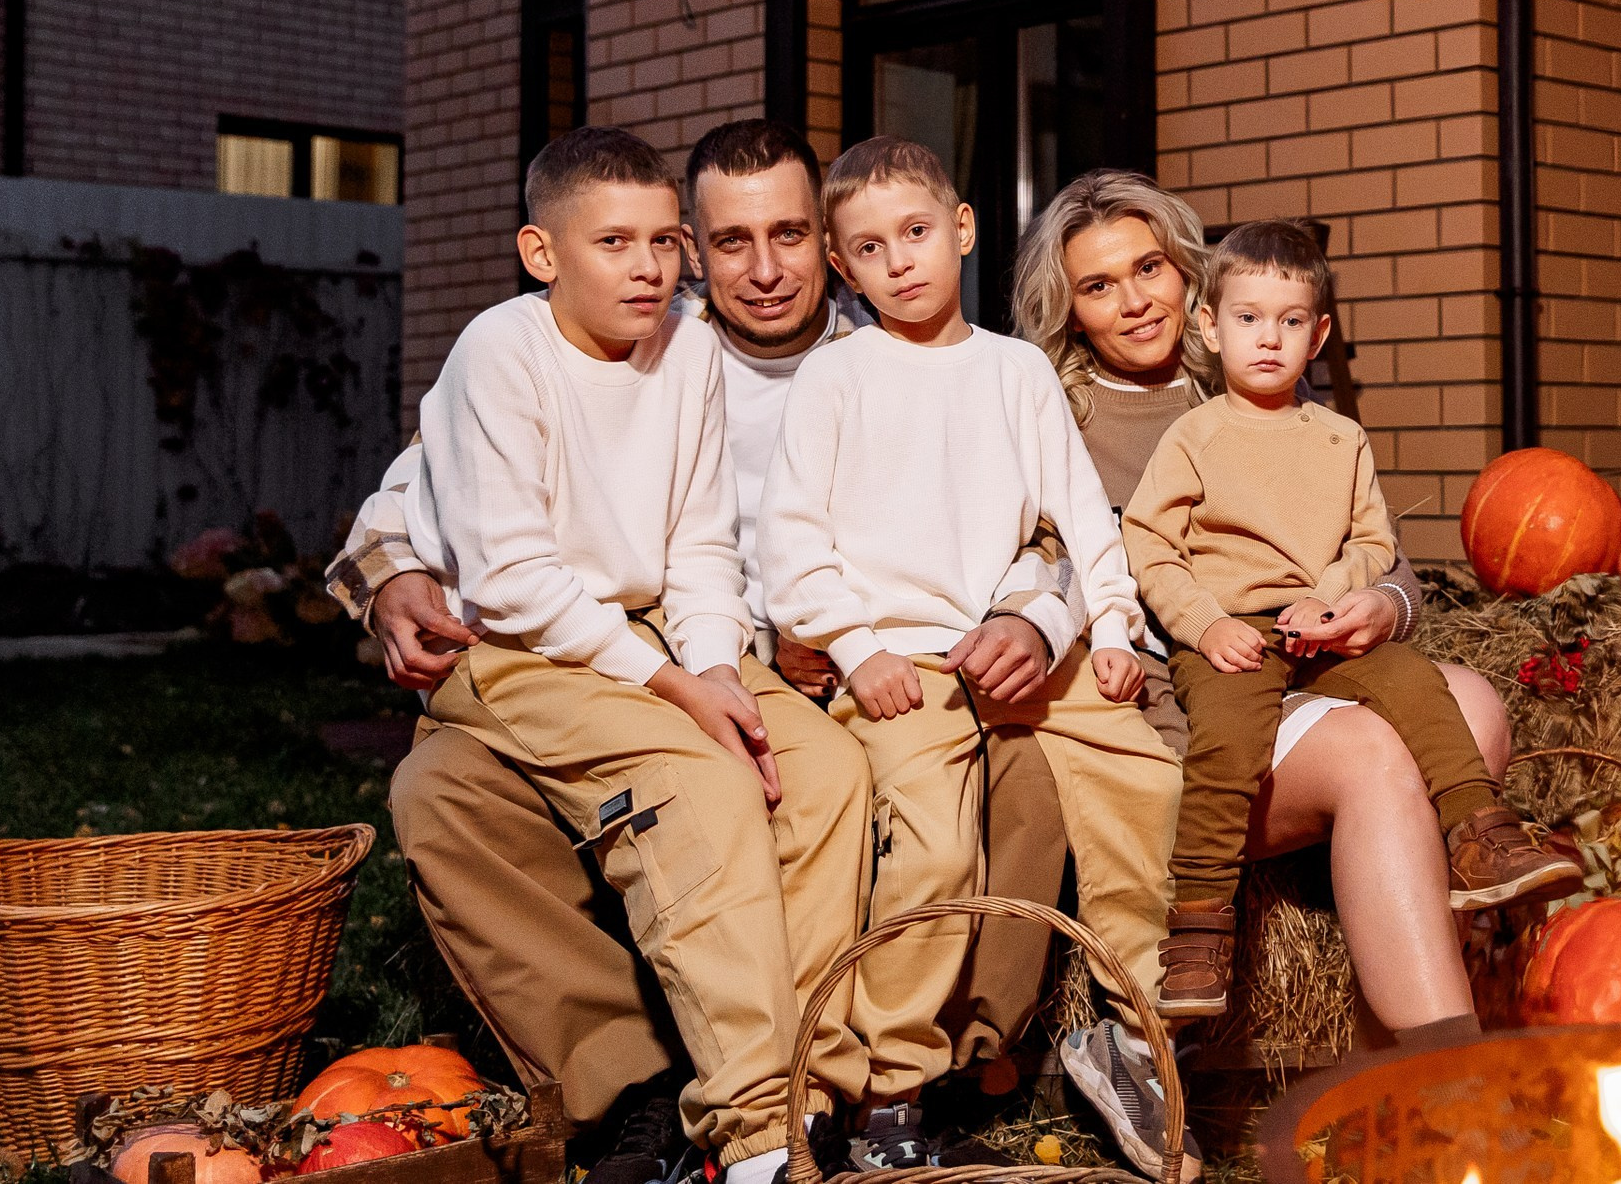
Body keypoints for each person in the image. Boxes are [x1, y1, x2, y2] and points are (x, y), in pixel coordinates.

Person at [329, 121, 1073, 1181]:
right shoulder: (640, 330)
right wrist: (395, 577)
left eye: (790, 235)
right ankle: (632, 1084)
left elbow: (1046, 522)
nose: (762, 270)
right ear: (697, 246)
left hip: (817, 664)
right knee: (440, 791)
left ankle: (884, 1079)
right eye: (728, 242)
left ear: (833, 240)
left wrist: (1025, 617)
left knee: (935, 775)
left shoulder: (912, 342)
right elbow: (426, 496)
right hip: (615, 651)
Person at [394, 126, 869, 1184]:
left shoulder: (686, 343)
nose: (649, 267)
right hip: (512, 648)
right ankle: (753, 1140)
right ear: (541, 253)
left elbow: (699, 541)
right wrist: (674, 693)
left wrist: (709, 671)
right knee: (697, 779)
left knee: (825, 774)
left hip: (654, 633)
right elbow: (510, 579)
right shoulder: (499, 353)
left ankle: (811, 1090)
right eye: (614, 243)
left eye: (662, 242)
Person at [1008, 170, 1519, 1059]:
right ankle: (1448, 1070)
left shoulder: (1248, 372)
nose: (1133, 302)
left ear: (1192, 280)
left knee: (1474, 705)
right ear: (1069, 308)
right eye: (1098, 286)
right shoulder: (1058, 421)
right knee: (1373, 757)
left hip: (1306, 664)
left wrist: (1378, 603)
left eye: (1150, 268)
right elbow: (1042, 578)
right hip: (1187, 712)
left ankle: (1372, 1063)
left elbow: (1377, 546)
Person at [757, 138, 1189, 1178]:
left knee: (1148, 777)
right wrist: (854, 648)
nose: (899, 261)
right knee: (936, 850)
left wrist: (1118, 630)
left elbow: (1083, 519)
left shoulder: (1017, 369)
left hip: (1013, 650)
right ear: (841, 265)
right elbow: (789, 547)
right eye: (868, 247)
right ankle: (889, 1085)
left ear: (960, 231)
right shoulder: (834, 376)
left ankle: (1138, 1028)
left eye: (915, 234)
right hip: (895, 662)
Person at [1125, 220, 1578, 1018]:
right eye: (1247, 318)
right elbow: (1150, 546)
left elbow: (1372, 539)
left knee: (1415, 680)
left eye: (1290, 321)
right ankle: (1198, 925)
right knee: (1229, 736)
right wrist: (1202, 625)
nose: (1268, 340)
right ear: (1209, 324)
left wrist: (1337, 596)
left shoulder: (1341, 438)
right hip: (1229, 629)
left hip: (1318, 626)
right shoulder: (1193, 436)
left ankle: (1481, 830)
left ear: (1319, 332)